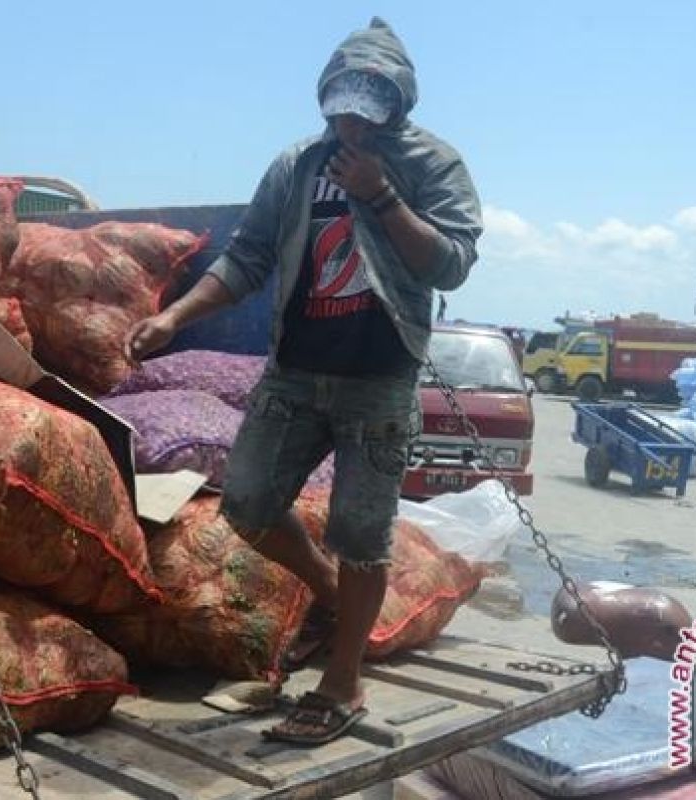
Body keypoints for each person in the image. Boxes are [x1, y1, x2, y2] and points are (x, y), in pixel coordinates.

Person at [126, 18, 482, 745]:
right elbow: (247, 259)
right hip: (297, 370)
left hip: (379, 379)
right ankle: (327, 593)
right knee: (249, 500)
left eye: (369, 102)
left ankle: (344, 681)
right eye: (341, 102)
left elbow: (449, 264)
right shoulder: (296, 165)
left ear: (397, 102)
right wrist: (175, 318)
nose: (351, 118)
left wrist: (381, 195)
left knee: (363, 534)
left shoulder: (431, 164)